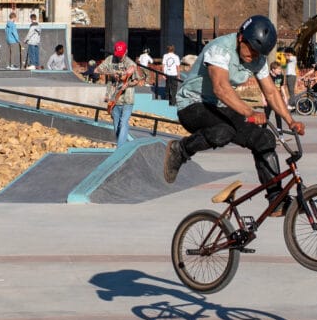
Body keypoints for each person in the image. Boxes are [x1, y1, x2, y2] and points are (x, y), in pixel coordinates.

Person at [163, 14, 304, 189]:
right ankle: (181, 150)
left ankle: (276, 198)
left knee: (264, 138)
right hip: (192, 105)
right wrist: (250, 112)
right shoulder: (221, 48)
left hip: (220, 107)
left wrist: (291, 121)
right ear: (240, 37)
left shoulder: (258, 59)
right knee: (223, 132)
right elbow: (220, 88)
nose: (253, 56)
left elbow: (271, 92)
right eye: (251, 49)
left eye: (258, 53)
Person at [98, 40, 141, 146]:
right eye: (118, 55)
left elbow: (137, 81)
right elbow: (98, 70)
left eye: (121, 55)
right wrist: (112, 74)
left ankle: (120, 148)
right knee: (117, 124)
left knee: (123, 123)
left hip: (127, 99)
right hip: (114, 99)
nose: (119, 57)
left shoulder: (131, 64)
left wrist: (128, 84)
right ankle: (122, 145)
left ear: (126, 51)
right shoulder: (110, 60)